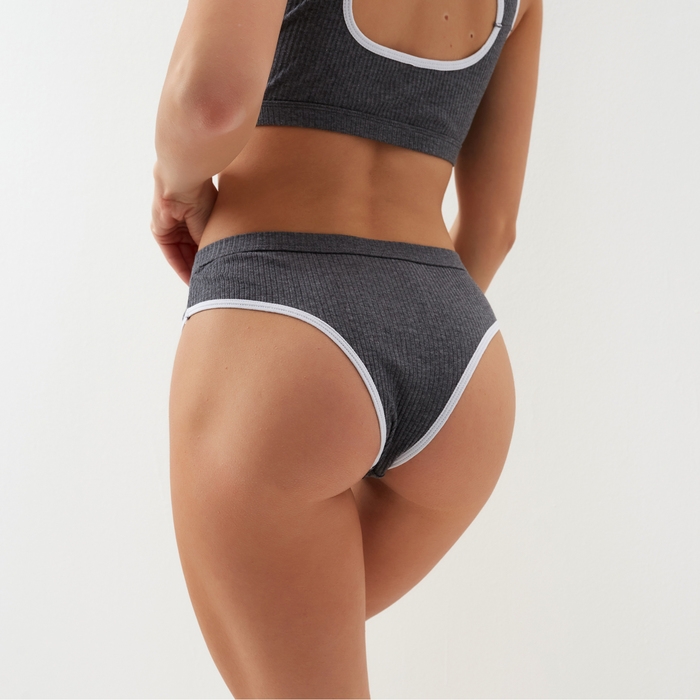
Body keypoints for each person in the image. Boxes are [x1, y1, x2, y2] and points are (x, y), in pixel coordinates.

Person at [150, 0, 541, 696]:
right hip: (462, 366)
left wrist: (175, 191)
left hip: (282, 328)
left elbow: (208, 105)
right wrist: (407, 328)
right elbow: (494, 225)